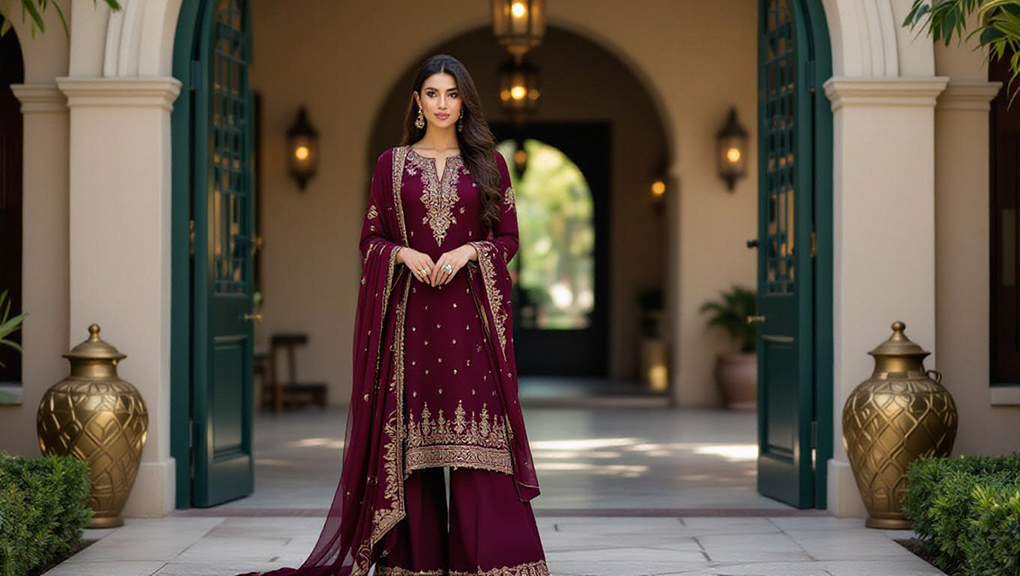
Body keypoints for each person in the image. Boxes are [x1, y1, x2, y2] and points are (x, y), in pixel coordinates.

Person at [236, 54, 548, 576]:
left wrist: (469, 252)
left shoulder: (489, 163)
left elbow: (508, 238)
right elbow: (371, 238)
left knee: (479, 444)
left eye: (452, 94)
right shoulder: (392, 164)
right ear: (418, 101)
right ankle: (413, 565)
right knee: (413, 447)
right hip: (412, 323)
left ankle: (492, 564)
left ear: (465, 101)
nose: (443, 104)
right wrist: (403, 254)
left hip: (471, 320)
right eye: (432, 94)